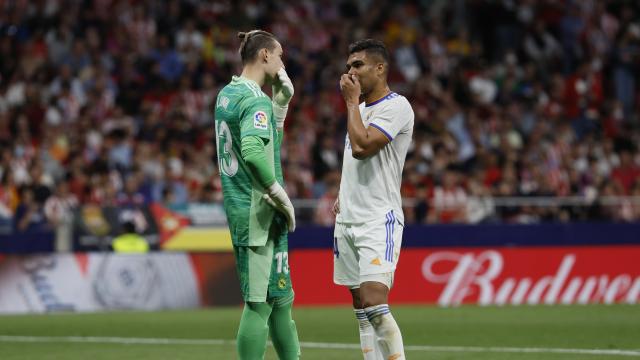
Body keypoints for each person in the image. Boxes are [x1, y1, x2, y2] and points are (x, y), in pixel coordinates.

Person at [214, 30, 300, 359]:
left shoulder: (228, 94)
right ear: (265, 56)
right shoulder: (253, 99)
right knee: (259, 304)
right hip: (256, 214)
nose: (281, 62)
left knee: (281, 300)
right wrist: (279, 193)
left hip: (260, 213)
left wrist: (280, 105)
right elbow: (252, 151)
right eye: (279, 55)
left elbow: (267, 146)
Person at [333, 39, 414, 360]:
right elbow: (351, 162)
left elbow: (362, 148)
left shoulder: (397, 106)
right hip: (348, 218)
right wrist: (343, 195)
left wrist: (351, 104)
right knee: (361, 311)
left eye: (357, 65)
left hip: (378, 219)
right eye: (348, 65)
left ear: (380, 68)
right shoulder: (361, 110)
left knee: (375, 304)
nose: (350, 72)